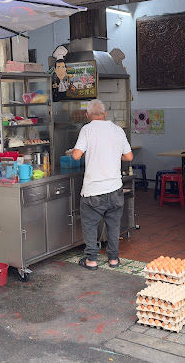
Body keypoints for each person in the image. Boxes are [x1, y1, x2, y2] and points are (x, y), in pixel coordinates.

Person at [69, 99, 133, 270]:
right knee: (113, 225)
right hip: (114, 188)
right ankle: (113, 259)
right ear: (105, 114)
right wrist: (112, 156)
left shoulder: (87, 129)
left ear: (87, 115)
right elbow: (129, 157)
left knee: (90, 225)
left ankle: (91, 260)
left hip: (93, 191)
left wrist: (81, 152)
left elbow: (76, 155)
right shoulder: (117, 130)